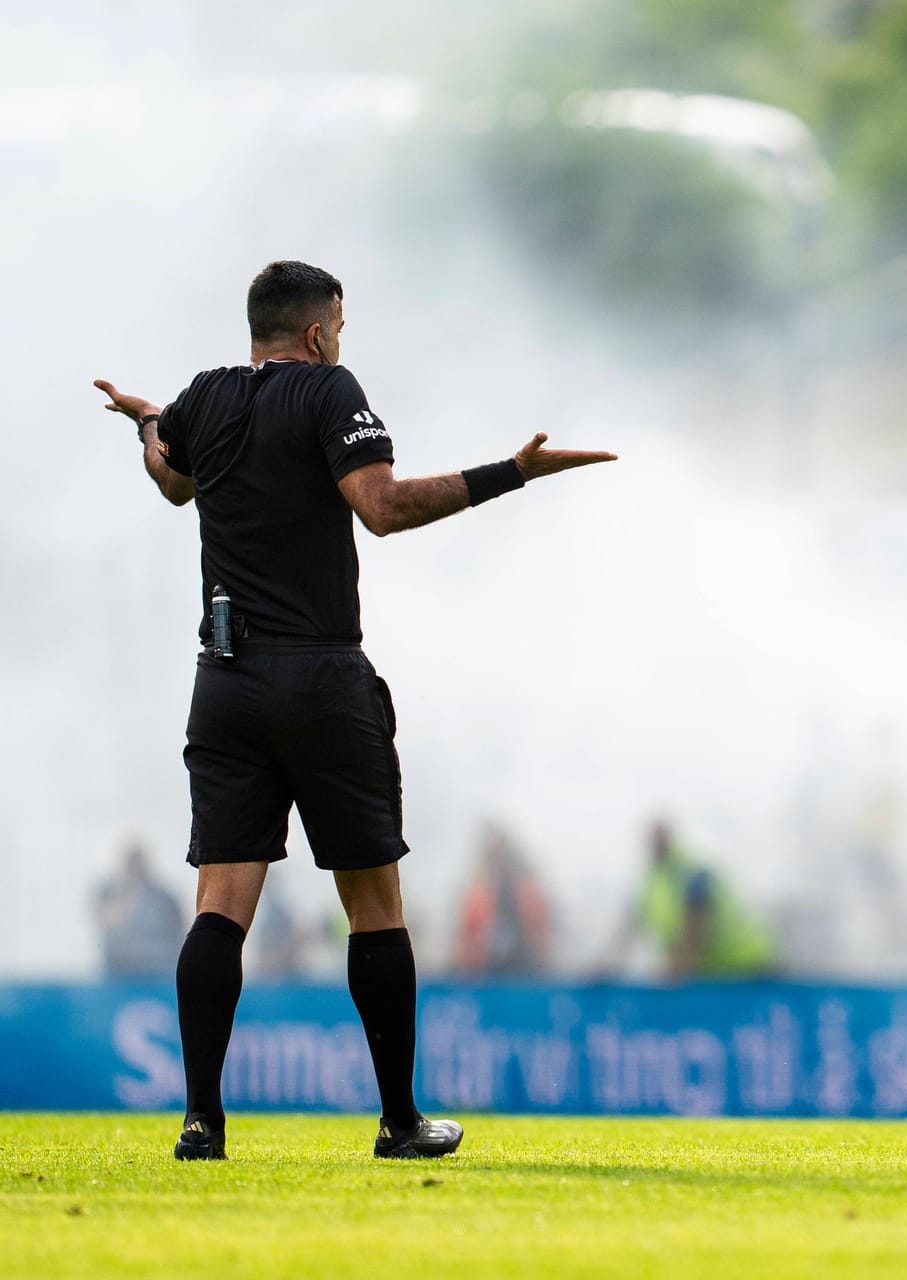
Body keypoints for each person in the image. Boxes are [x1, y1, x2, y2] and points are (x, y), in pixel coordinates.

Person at [93, 260, 615, 1160]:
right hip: (320, 678)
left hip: (224, 679)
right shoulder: (330, 391)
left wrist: (146, 419)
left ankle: (200, 1122)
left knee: (220, 901)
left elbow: (170, 478)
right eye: (342, 324)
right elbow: (381, 507)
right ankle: (399, 1120)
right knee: (374, 904)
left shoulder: (205, 398)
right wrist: (512, 472)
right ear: (318, 332)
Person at [600, 819, 778, 980]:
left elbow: (696, 928)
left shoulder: (691, 872)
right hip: (712, 977)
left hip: (750, 968)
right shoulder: (649, 887)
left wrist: (675, 969)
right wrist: (606, 967)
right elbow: (626, 934)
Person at [456, 824, 554, 976]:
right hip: (485, 968)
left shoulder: (525, 883)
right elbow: (468, 931)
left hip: (526, 964)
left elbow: (541, 926)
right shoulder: (479, 886)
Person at [93, 842, 186, 977]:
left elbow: (180, 931)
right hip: (118, 972)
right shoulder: (110, 892)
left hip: (159, 972)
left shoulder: (164, 899)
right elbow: (106, 920)